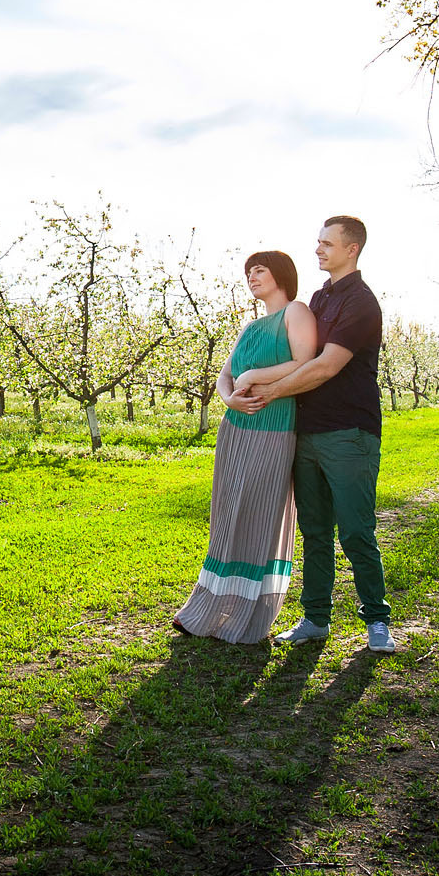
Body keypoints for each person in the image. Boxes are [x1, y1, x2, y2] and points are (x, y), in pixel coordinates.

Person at [229, 216, 395, 653]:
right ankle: (315, 619)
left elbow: (324, 366)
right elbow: (296, 352)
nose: (318, 250)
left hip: (348, 431)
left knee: (356, 530)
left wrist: (270, 391)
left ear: (351, 249)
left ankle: (377, 621)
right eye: (318, 243)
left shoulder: (360, 303)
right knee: (316, 531)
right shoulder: (318, 299)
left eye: (327, 244)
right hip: (306, 432)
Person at [171, 250, 317, 644]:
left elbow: (306, 361)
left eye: (259, 270)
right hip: (235, 428)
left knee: (258, 511)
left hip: (274, 427)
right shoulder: (250, 326)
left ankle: (249, 615)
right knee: (227, 511)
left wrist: (255, 374)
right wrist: (228, 399)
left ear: (281, 274)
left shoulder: (296, 313)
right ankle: (204, 607)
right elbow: (225, 375)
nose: (251, 277)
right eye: (248, 272)